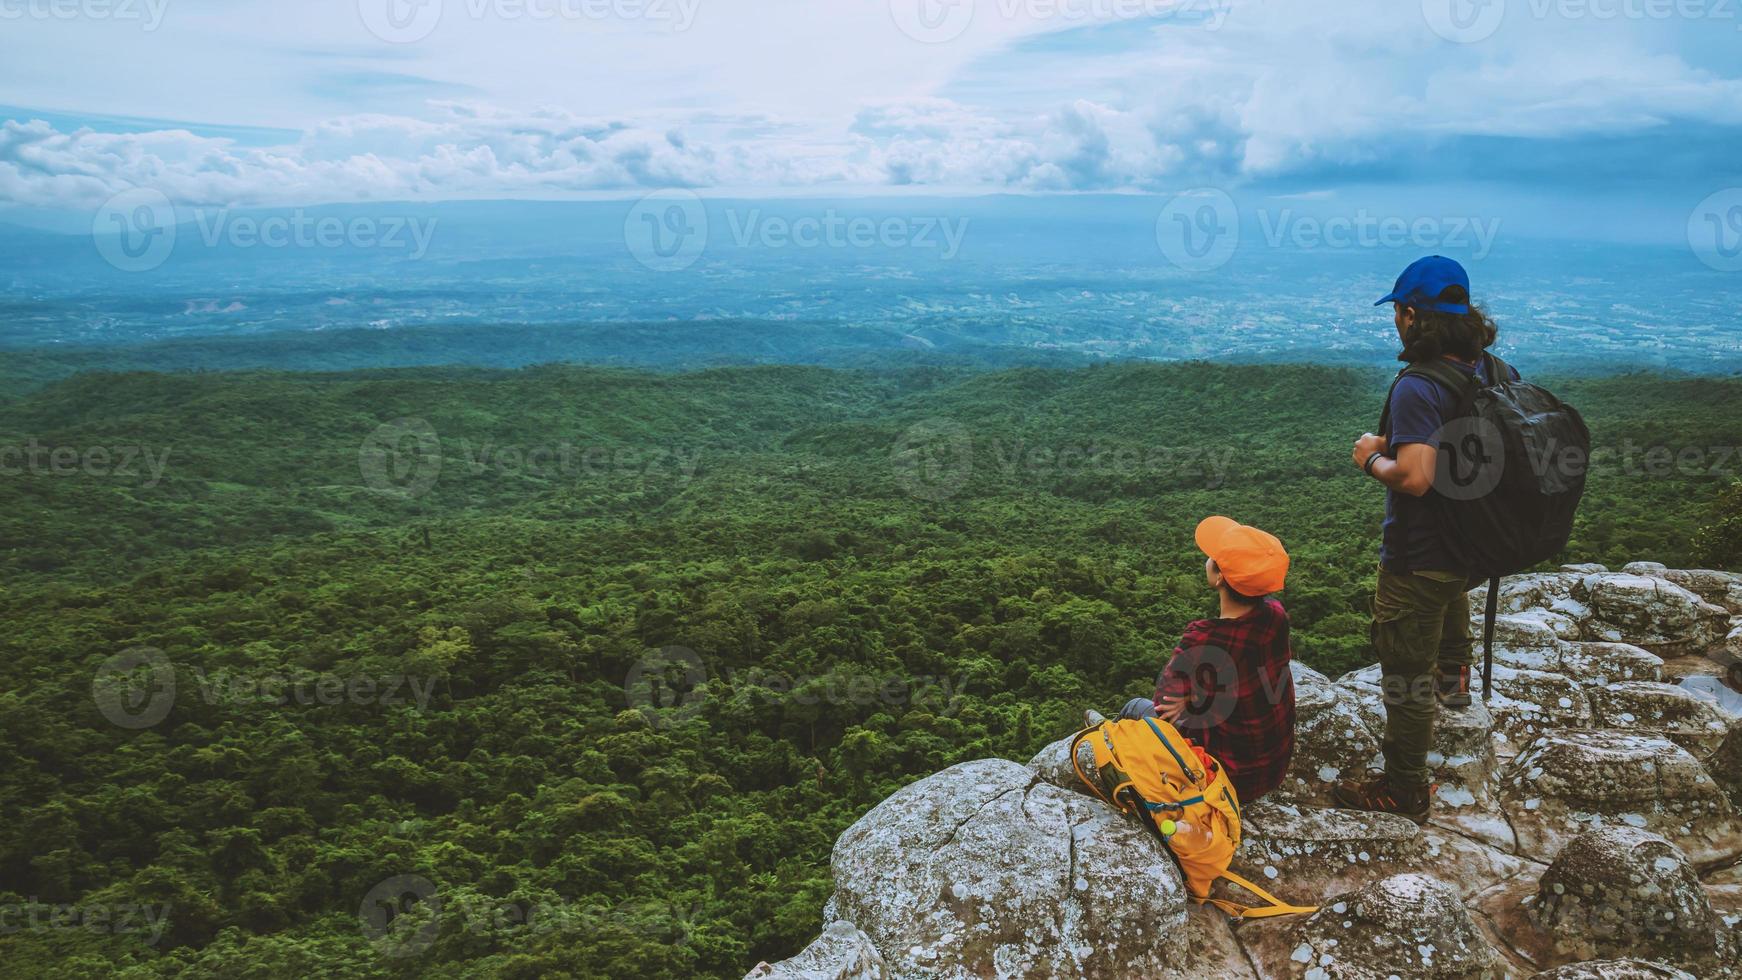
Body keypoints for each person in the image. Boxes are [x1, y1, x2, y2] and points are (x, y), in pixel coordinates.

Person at [1333, 255, 1520, 825]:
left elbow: (1414, 476)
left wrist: (1371, 459)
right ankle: (1455, 680)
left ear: (1413, 315)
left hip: (1420, 551)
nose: (1396, 321)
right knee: (1451, 589)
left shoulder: (1420, 385)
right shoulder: (1491, 368)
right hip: (1473, 542)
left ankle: (1403, 790)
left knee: (1403, 676)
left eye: (1398, 311)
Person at [1123, 516, 1295, 804]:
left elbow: (1164, 711)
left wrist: (1188, 697)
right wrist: (1193, 696)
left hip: (1225, 778)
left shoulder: (1202, 639)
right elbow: (1238, 677)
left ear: (1219, 577)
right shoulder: (1275, 616)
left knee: (1135, 708)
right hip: (1270, 770)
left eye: (1213, 557)